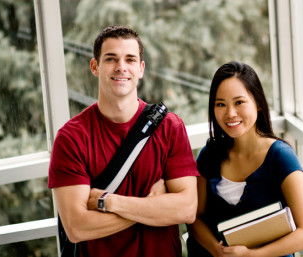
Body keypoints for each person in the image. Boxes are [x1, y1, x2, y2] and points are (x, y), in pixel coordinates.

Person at [48, 25, 199, 257]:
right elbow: (76, 228)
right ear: (94, 66)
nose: (121, 67)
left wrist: (109, 202)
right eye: (111, 58)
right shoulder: (71, 138)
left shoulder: (170, 127)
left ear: (141, 69)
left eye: (130, 59)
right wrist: (153, 206)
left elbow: (187, 209)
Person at [187, 61, 303, 257]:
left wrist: (252, 255)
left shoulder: (281, 157)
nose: (230, 113)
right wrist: (218, 251)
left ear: (257, 103)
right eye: (221, 104)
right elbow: (195, 218)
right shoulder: (209, 154)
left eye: (239, 102)